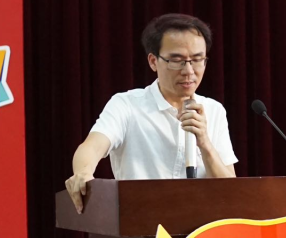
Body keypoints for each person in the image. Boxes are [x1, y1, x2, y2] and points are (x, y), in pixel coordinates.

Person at [65, 13, 238, 213]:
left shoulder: (214, 110)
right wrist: (83, 173)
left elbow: (232, 191)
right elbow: (92, 147)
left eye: (197, 59)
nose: (189, 71)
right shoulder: (127, 105)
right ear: (153, 61)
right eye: (177, 60)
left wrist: (205, 143)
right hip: (141, 223)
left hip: (202, 228)